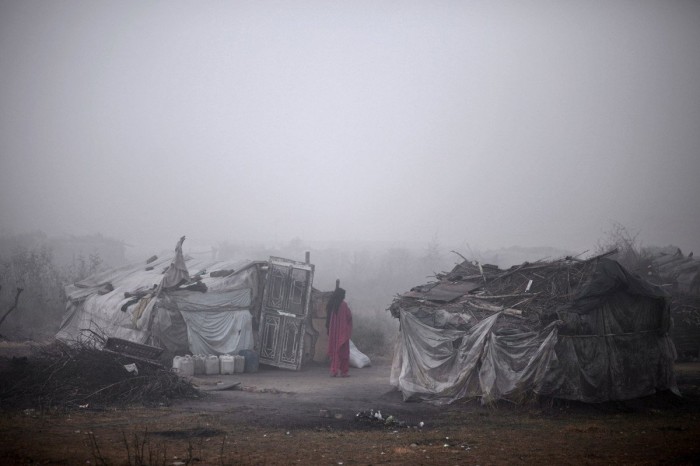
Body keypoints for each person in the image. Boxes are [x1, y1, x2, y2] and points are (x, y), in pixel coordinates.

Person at [326, 287, 353, 377]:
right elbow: (349, 317)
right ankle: (344, 372)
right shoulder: (344, 305)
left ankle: (334, 371)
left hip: (334, 334)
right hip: (343, 333)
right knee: (344, 353)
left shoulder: (332, 305)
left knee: (335, 352)